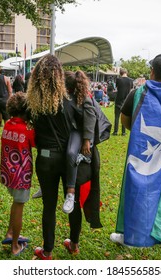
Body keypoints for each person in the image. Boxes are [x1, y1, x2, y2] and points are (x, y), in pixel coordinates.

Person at [110, 53, 161, 248]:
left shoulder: (138, 93)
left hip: (141, 148)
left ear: (152, 71)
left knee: (136, 186)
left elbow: (126, 119)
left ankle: (129, 235)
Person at [26, 54, 85, 259]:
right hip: (69, 161)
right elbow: (86, 126)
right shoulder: (70, 104)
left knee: (48, 206)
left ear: (37, 77)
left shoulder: (32, 104)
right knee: (74, 202)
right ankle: (74, 244)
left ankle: (47, 251)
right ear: (59, 75)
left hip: (45, 160)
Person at [0, 93, 35, 256]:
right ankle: (15, 246)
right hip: (22, 176)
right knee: (19, 206)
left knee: (15, 203)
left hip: (8, 174)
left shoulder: (7, 124)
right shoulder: (27, 129)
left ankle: (9, 233)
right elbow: (35, 143)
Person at [63, 71, 96, 215]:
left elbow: (91, 119)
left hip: (84, 134)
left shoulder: (84, 98)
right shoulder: (68, 97)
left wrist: (86, 141)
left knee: (71, 153)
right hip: (75, 130)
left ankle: (70, 192)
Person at [113, 68, 133, 136]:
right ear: (126, 72)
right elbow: (131, 89)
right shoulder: (131, 80)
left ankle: (115, 131)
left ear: (120, 73)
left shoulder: (118, 80)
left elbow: (116, 88)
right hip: (126, 100)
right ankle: (123, 132)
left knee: (116, 117)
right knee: (124, 117)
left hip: (118, 100)